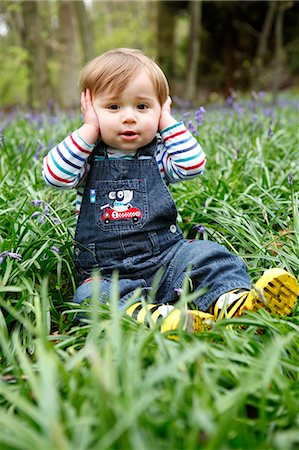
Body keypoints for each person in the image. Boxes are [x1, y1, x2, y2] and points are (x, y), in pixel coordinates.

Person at [43, 48, 298, 333]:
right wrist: (89, 129)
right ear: (90, 109)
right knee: (90, 299)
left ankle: (234, 303)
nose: (129, 117)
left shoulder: (160, 156)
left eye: (142, 107)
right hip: (108, 273)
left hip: (167, 259)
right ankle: (155, 319)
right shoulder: (85, 160)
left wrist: (166, 121)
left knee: (208, 255)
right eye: (113, 107)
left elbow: (193, 165)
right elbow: (55, 175)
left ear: (160, 108)